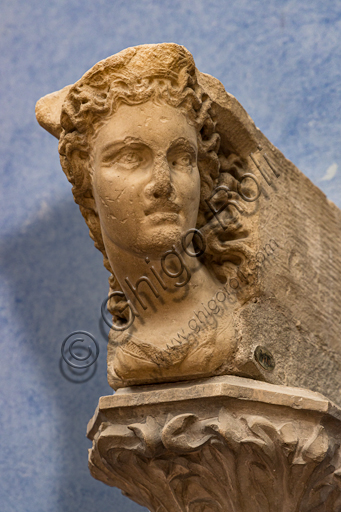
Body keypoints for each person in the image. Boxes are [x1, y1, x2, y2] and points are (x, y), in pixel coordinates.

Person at [52, 43, 257, 388]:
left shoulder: (226, 319)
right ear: (86, 184)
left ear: (204, 177)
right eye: (131, 157)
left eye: (181, 159)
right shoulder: (128, 335)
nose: (162, 184)